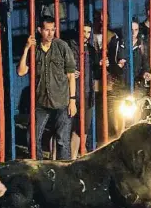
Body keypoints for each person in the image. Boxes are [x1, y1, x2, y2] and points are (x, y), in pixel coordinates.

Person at [18, 16, 77, 160]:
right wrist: (26, 48)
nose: (50, 33)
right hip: (42, 101)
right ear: (40, 30)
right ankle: (39, 169)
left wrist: (72, 100)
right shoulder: (34, 48)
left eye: (53, 30)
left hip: (62, 101)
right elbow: (21, 71)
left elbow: (71, 76)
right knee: (32, 138)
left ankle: (65, 171)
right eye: (47, 30)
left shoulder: (62, 46)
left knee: (63, 141)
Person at [68, 23, 96, 159]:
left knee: (83, 129)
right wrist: (69, 71)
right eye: (83, 31)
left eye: (88, 32)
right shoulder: (70, 47)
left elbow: (96, 69)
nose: (86, 35)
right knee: (72, 129)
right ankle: (72, 158)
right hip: (72, 94)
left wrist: (103, 63)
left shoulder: (91, 49)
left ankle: (79, 157)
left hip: (88, 93)